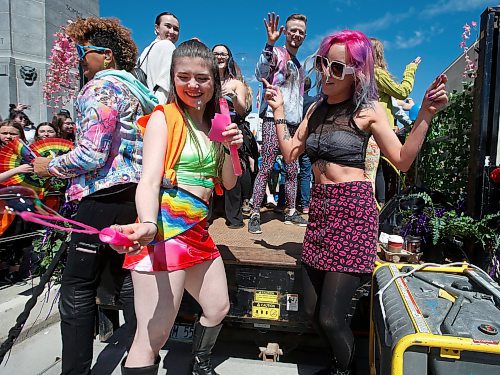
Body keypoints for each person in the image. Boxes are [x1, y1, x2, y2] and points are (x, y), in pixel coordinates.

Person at [262, 30, 448, 374]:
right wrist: (277, 112)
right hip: (320, 213)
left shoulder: (369, 110)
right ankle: (338, 360)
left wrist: (423, 116)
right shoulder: (316, 108)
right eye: (322, 63)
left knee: (332, 319)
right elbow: (290, 155)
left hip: (353, 213)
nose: (325, 73)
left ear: (357, 74)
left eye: (337, 68)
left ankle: (345, 369)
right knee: (308, 312)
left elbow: (403, 160)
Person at [32, 17, 158, 374]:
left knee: (77, 287)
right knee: (130, 284)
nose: (78, 59)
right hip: (136, 199)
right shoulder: (138, 91)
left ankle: (75, 370)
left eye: (83, 52)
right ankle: (142, 361)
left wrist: (49, 167)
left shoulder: (100, 89)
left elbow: (91, 154)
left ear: (105, 56)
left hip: (102, 199)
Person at [111, 39, 242, 375]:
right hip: (167, 229)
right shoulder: (163, 118)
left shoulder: (215, 125)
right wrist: (150, 224)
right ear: (173, 79)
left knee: (217, 306)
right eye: (183, 77)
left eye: (202, 78)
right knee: (153, 334)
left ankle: (199, 364)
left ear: (214, 81)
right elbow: (149, 180)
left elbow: (227, 183)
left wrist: (228, 146)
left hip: (198, 228)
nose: (193, 85)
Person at [249, 12, 308, 234]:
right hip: (273, 119)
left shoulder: (300, 66)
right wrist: (269, 43)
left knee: (292, 169)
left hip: (293, 123)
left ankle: (290, 211)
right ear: (285, 31)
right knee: (266, 166)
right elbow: (259, 73)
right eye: (293, 30)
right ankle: (255, 211)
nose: (296, 34)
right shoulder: (275, 54)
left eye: (301, 31)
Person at [368, 38, 421, 205]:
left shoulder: (364, 74)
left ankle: (377, 206)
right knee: (376, 172)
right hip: (379, 129)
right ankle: (377, 208)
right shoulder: (376, 72)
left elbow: (387, 100)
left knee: (375, 170)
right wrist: (410, 69)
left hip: (369, 129)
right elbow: (402, 91)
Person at [212, 43, 254, 228]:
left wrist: (234, 97)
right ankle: (210, 213)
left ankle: (234, 217)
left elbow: (243, 111)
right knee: (211, 170)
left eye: (223, 54)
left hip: (232, 130)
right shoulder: (208, 81)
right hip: (211, 129)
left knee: (234, 171)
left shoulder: (237, 83)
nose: (220, 57)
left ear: (229, 58)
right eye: (216, 54)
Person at [138, 12, 180, 103]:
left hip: (144, 105)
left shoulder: (145, 52)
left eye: (176, 29)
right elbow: (165, 85)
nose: (172, 31)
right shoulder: (168, 45)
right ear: (157, 28)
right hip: (158, 107)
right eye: (168, 26)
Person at [298, 76, 315, 214]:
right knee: (306, 173)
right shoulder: (314, 102)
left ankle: (284, 202)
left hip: (293, 136)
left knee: (287, 172)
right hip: (308, 139)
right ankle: (305, 204)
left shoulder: (295, 101)